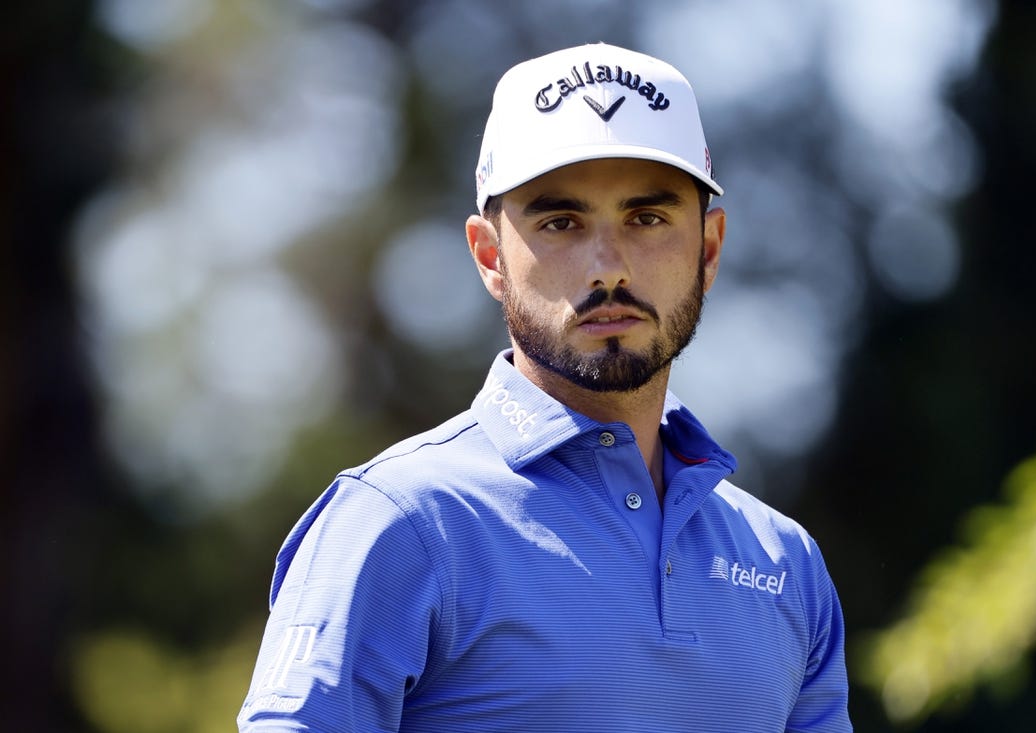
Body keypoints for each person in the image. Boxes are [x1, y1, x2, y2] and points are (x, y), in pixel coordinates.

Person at [238, 42, 852, 732]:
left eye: (647, 219)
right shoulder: (398, 522)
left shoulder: (784, 562)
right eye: (561, 223)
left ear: (708, 250)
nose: (609, 267)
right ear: (489, 255)